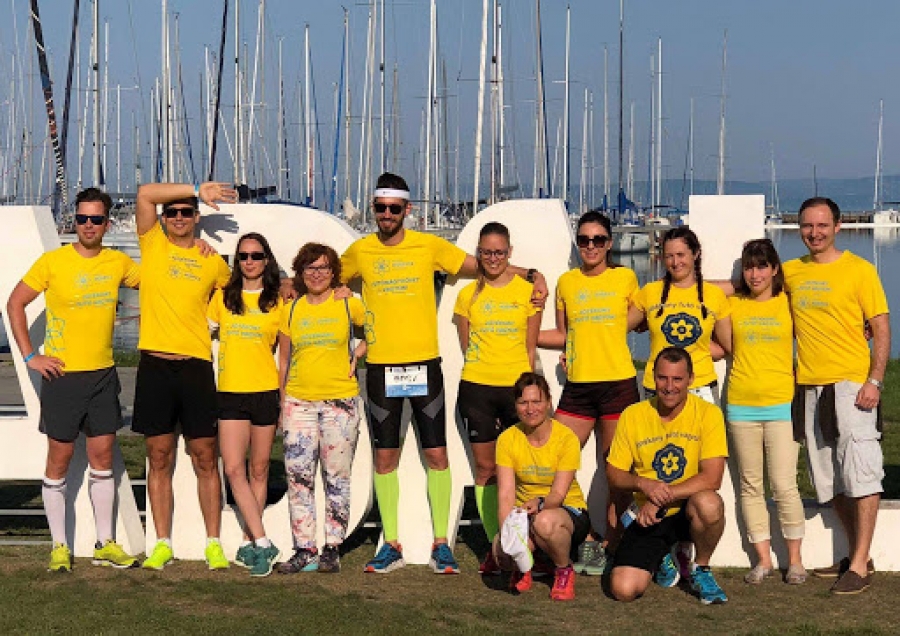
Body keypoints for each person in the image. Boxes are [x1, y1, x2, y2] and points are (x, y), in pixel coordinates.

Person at [340, 172, 547, 574]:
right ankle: (391, 544)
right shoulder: (360, 251)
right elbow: (324, 276)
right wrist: (324, 294)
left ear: (407, 210)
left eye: (394, 208)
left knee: (437, 455)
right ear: (373, 208)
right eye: (380, 207)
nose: (386, 214)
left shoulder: (429, 246)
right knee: (385, 458)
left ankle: (441, 544)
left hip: (424, 365)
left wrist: (530, 274)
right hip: (381, 368)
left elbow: (485, 264)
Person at [6, 188, 140, 572]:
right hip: (62, 377)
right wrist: (30, 356)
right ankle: (59, 547)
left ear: (107, 224)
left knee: (102, 458)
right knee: (59, 459)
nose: (88, 225)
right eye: (82, 219)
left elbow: (163, 282)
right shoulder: (53, 262)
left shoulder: (119, 262)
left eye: (96, 219)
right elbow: (15, 303)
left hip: (103, 375)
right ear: (74, 221)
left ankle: (105, 543)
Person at [784, 197, 890, 595]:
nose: (814, 233)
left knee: (862, 472)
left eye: (822, 226)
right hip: (810, 388)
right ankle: (857, 553)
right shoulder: (791, 272)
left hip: (851, 387)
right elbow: (749, 287)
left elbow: (881, 326)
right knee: (829, 479)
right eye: (807, 226)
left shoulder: (860, 270)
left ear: (838, 227)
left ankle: (859, 564)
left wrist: (874, 380)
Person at [132, 181, 236, 570]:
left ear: (196, 218)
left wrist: (290, 286)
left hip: (195, 366)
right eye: (172, 212)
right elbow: (145, 194)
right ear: (163, 219)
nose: (178, 217)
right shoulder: (152, 245)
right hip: (155, 367)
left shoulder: (213, 261)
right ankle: (162, 543)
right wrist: (195, 188)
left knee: (205, 456)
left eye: (186, 212)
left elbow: (247, 289)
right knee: (158, 456)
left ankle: (213, 543)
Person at [539, 211, 641, 574]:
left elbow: (642, 318)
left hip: (618, 384)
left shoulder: (626, 278)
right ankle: (581, 535)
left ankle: (613, 545)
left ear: (609, 244)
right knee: (554, 460)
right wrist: (520, 335)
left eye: (598, 240)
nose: (591, 246)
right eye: (584, 240)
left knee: (617, 473)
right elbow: (564, 334)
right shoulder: (566, 282)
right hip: (579, 388)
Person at [628, 226, 732, 577]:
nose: (675, 262)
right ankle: (661, 543)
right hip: (656, 389)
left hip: (700, 389)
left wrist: (696, 352)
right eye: (669, 255)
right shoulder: (650, 293)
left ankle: (688, 545)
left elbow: (727, 346)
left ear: (695, 255)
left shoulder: (713, 296)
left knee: (696, 470)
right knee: (654, 465)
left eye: (681, 255)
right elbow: (613, 328)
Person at [607, 347, 728, 604]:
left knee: (709, 503)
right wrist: (642, 483)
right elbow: (614, 474)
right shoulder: (633, 414)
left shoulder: (708, 413)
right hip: (647, 516)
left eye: (677, 379)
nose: (669, 386)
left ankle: (701, 568)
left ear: (691, 379)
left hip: (686, 509)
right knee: (623, 590)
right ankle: (664, 554)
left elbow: (712, 478)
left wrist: (661, 496)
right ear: (652, 377)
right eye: (662, 378)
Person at [453, 222, 541, 575]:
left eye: (500, 252)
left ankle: (526, 541)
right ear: (479, 253)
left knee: (523, 469)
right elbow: (466, 344)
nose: (493, 258)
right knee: (486, 469)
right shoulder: (467, 295)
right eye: (487, 252)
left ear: (509, 253)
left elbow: (530, 347)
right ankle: (496, 546)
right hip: (477, 387)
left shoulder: (528, 292)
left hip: (516, 390)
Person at [276, 243, 367, 575]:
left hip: (340, 402)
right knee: (298, 478)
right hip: (298, 402)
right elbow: (284, 359)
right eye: (310, 268)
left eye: (323, 268)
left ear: (333, 272)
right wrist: (282, 401)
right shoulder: (291, 309)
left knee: (336, 477)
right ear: (301, 272)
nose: (317, 274)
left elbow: (376, 331)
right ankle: (304, 548)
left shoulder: (348, 304)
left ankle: (332, 547)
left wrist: (358, 354)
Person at [726, 239, 806, 585]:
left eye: (761, 266)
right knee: (750, 486)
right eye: (749, 267)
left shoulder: (790, 302)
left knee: (785, 485)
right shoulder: (733, 304)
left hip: (782, 404)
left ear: (775, 269)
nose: (755, 274)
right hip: (741, 405)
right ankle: (763, 560)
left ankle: (796, 561)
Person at [207, 233, 284, 577]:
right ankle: (265, 543)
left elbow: (288, 351)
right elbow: (198, 329)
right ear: (236, 262)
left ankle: (248, 541)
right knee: (234, 469)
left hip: (265, 392)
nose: (249, 261)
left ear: (266, 260)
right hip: (230, 393)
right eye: (243, 256)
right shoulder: (223, 298)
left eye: (256, 255)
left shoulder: (279, 301)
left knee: (260, 469)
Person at [493, 373, 591, 601]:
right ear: (515, 406)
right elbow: (506, 495)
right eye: (523, 402)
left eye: (536, 401)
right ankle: (532, 564)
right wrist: (508, 535)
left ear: (548, 402)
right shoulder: (507, 439)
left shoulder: (566, 438)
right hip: (524, 513)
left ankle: (563, 569)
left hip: (566, 511)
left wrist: (540, 503)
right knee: (501, 552)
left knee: (544, 522)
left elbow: (558, 494)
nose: (530, 409)